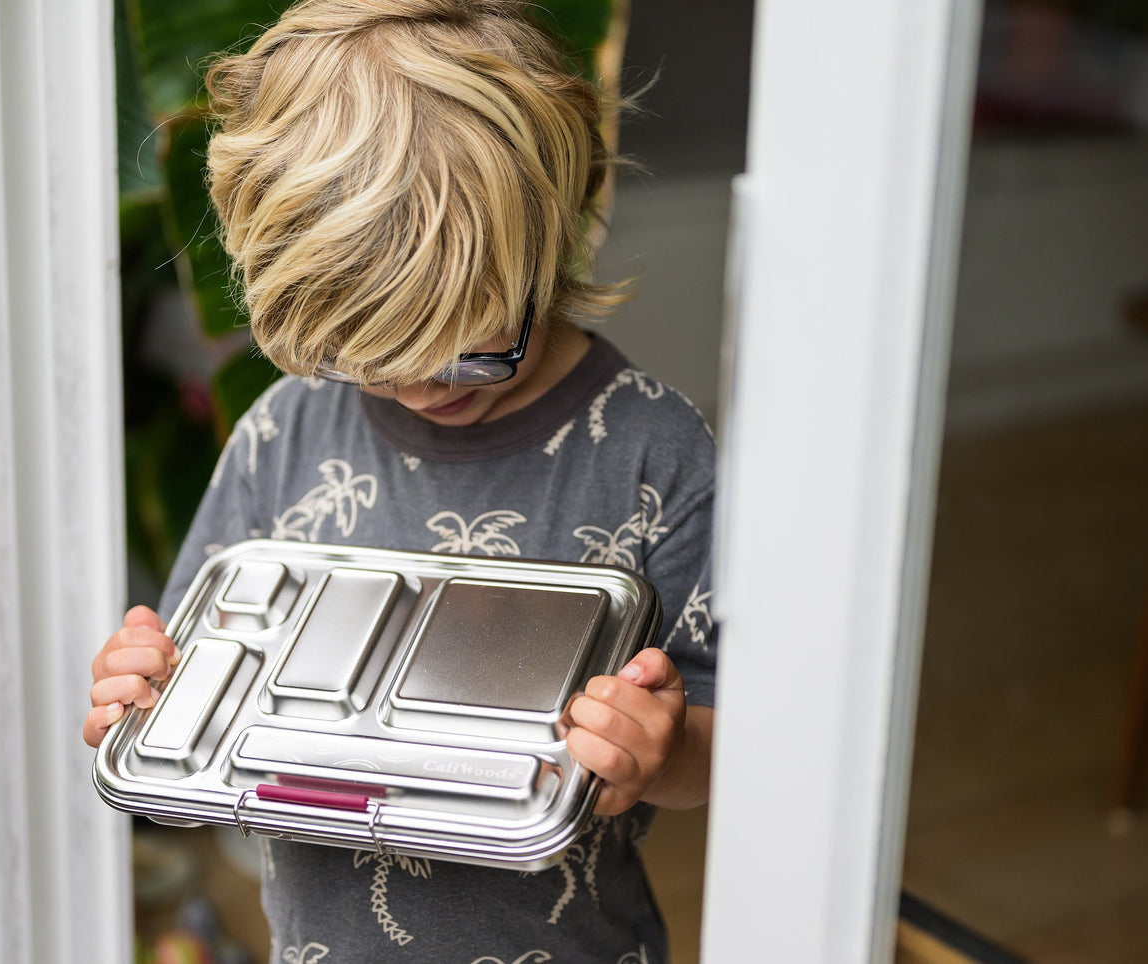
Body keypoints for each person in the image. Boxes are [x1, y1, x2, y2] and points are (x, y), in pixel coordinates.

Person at [84, 2, 717, 960]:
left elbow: (732, 740)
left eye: (470, 345)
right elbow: (195, 727)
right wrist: (141, 695)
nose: (420, 384)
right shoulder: (281, 437)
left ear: (550, 227)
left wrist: (663, 754)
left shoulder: (651, 455)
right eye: (364, 353)